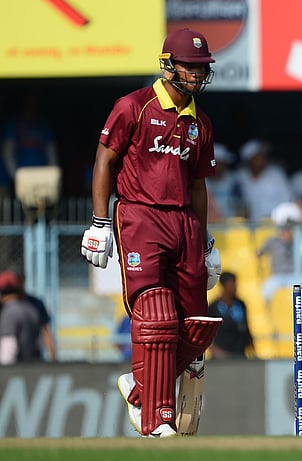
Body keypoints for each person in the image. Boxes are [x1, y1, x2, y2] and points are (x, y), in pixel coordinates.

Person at [80, 28, 224, 438]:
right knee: (156, 314)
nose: (198, 73)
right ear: (169, 65)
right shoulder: (134, 106)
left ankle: (139, 388)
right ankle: (157, 417)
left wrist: (206, 239)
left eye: (202, 67)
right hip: (140, 216)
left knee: (197, 324)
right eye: (191, 66)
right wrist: (99, 221)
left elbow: (197, 185)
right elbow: (105, 160)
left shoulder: (200, 121)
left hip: (184, 223)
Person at [207, 272, 254, 359]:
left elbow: (247, 329)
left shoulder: (240, 304)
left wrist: (253, 351)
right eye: (232, 284)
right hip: (220, 358)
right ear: (224, 286)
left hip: (240, 355)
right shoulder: (214, 307)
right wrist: (217, 352)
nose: (235, 287)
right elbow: (207, 334)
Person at [0, 270, 42, 364]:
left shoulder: (10, 312)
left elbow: (8, 349)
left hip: (16, 370)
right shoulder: (31, 309)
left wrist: (4, 373)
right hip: (33, 365)